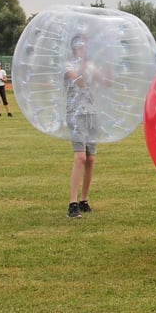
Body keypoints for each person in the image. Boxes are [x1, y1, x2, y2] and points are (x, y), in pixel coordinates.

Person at [64, 33, 105, 219]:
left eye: (85, 46)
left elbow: (105, 82)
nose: (83, 49)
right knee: (80, 157)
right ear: (74, 47)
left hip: (92, 114)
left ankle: (84, 200)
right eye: (80, 46)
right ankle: (72, 204)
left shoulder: (91, 65)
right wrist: (82, 63)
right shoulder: (68, 65)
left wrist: (111, 65)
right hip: (76, 115)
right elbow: (79, 81)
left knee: (91, 159)